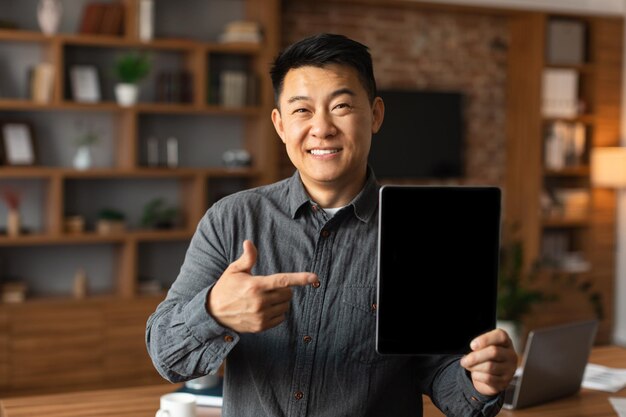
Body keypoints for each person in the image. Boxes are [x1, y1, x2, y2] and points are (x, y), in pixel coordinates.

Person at [146, 33, 517, 417]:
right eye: (302, 110)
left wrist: (481, 382)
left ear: (375, 115)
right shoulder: (231, 219)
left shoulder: (423, 233)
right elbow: (167, 358)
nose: (321, 128)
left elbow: (441, 375)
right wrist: (213, 311)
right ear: (280, 125)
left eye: (340, 106)